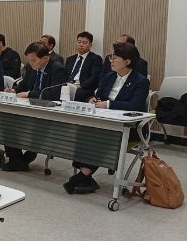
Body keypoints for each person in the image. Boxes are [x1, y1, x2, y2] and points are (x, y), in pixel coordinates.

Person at [64, 42, 149, 194]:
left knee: (101, 137)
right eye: (111, 57)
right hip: (104, 122)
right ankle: (86, 176)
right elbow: (98, 96)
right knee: (83, 131)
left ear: (127, 61)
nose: (111, 61)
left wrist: (108, 104)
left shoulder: (141, 81)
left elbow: (135, 105)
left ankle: (82, 176)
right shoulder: (109, 77)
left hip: (130, 128)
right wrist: (92, 100)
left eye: (115, 58)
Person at [2, 42, 67, 172]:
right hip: (29, 107)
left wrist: (27, 94)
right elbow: (24, 84)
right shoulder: (32, 67)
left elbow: (53, 93)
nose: (31, 63)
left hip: (48, 110)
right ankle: (16, 159)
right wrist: (14, 90)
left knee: (37, 127)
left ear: (45, 58)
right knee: (7, 120)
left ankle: (27, 158)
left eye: (33, 60)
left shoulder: (57, 69)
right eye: (29, 60)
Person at [65, 31, 103, 102]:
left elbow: (94, 77)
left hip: (84, 88)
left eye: (84, 43)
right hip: (68, 86)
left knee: (76, 94)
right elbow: (65, 75)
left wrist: (80, 86)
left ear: (90, 45)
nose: (81, 45)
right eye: (79, 42)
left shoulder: (95, 59)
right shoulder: (70, 59)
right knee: (55, 91)